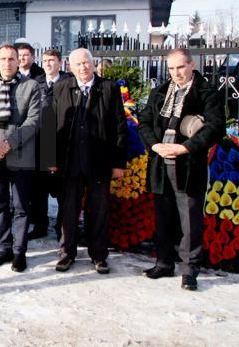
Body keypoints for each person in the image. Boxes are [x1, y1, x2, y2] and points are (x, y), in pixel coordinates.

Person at [138, 48, 225, 291]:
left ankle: (189, 270)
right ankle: (164, 262)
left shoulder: (206, 93)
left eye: (180, 67)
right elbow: (144, 121)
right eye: (172, 69)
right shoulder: (160, 92)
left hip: (188, 163)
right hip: (161, 160)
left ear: (191, 64)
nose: (176, 73)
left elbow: (215, 128)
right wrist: (155, 145)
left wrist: (185, 148)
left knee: (189, 219)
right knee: (163, 215)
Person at [52, 48, 127, 274]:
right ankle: (67, 254)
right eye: (78, 64)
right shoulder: (61, 88)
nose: (83, 67)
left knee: (99, 210)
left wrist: (118, 163)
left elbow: (120, 128)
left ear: (93, 64)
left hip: (99, 162)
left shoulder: (109, 88)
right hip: (69, 162)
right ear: (70, 67)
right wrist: (50, 160)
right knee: (68, 211)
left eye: (86, 63)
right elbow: (51, 125)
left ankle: (99, 255)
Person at [0, 43, 41, 272]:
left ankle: (20, 252)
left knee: (22, 207)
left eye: (12, 58)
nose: (7, 63)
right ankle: (4, 247)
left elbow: (33, 121)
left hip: (21, 156)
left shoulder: (31, 86)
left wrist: (9, 143)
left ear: (18, 61)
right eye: (3, 59)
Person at [29, 49, 71, 239]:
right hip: (40, 140)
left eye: (52, 60)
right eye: (45, 60)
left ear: (60, 63)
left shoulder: (69, 82)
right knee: (38, 189)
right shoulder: (35, 82)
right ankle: (40, 226)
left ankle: (62, 227)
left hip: (62, 140)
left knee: (62, 190)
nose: (48, 64)